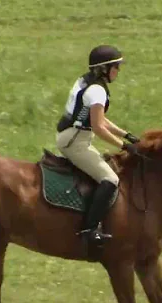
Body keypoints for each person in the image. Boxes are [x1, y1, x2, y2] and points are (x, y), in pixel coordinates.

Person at [55, 45, 140, 246]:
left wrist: (127, 135)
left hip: (72, 136)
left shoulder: (88, 82)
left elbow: (101, 120)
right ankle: (89, 230)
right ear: (104, 69)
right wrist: (124, 146)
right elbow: (99, 127)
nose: (118, 71)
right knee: (110, 179)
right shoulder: (97, 91)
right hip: (75, 142)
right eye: (116, 67)